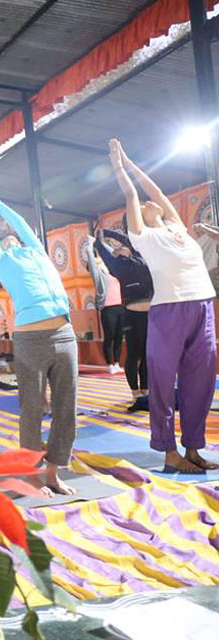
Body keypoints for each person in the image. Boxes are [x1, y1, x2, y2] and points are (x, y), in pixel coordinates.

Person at [110, 139, 217, 473]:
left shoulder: (176, 227)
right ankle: (169, 452)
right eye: (142, 205)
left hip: (203, 307)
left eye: (150, 203)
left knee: (201, 381)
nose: (147, 203)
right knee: (161, 381)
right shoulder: (142, 235)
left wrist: (134, 162)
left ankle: (194, 448)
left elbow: (154, 191)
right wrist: (119, 166)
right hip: (169, 313)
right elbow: (132, 194)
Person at [0, 186, 77, 496]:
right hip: (30, 339)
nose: (12, 238)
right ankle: (30, 476)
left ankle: (52, 473)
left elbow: (20, 223)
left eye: (15, 236)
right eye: (6, 239)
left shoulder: (36, 250)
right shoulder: (0, 261)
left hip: (65, 334)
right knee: (32, 408)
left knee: (66, 408)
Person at [93, 227, 152, 405]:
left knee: (147, 354)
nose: (118, 249)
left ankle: (146, 391)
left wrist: (108, 232)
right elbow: (100, 247)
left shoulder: (141, 257)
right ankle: (136, 393)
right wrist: (100, 237)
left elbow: (127, 239)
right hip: (132, 314)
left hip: (151, 314)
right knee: (134, 355)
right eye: (115, 250)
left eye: (121, 247)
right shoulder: (116, 266)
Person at [85, 241, 125, 375]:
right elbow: (91, 260)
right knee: (110, 337)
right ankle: (110, 364)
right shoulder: (99, 275)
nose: (100, 261)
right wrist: (90, 246)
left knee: (119, 337)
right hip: (108, 309)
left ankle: (117, 363)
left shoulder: (115, 272)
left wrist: (101, 242)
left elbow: (112, 254)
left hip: (120, 307)